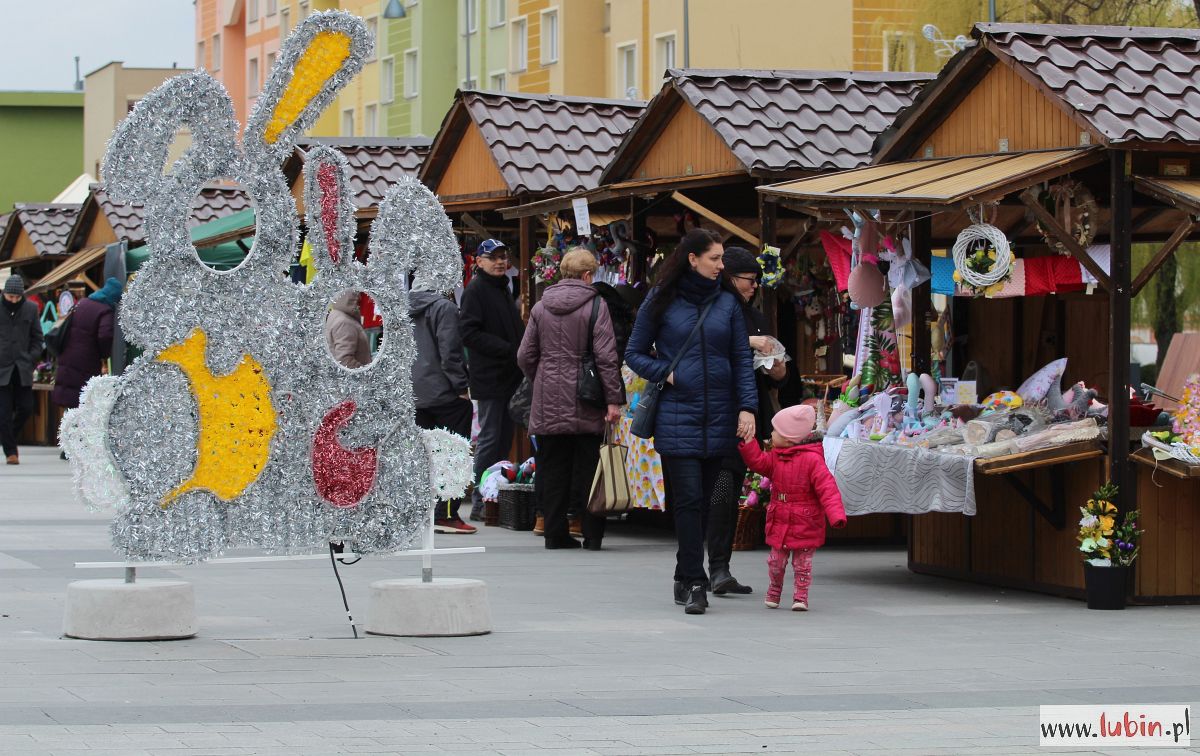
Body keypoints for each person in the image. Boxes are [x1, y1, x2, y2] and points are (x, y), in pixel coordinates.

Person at [625, 228, 758, 615]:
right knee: (688, 502)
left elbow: (740, 361)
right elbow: (634, 352)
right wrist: (666, 372)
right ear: (693, 259)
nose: (721, 265)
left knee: (708, 504)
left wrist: (746, 408)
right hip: (677, 414)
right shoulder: (662, 299)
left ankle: (685, 575)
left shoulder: (728, 304)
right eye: (715, 258)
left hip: (719, 415)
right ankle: (695, 581)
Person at [518, 248, 622, 550]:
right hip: (585, 398)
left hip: (547, 397)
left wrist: (542, 379)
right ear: (588, 275)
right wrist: (613, 399)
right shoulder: (596, 306)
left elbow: (525, 355)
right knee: (590, 467)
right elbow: (606, 357)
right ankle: (592, 535)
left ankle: (554, 533)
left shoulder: (540, 307)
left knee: (551, 468)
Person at [705, 246, 790, 597]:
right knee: (720, 492)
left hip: (747, 416)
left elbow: (778, 378)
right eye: (748, 280)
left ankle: (720, 568)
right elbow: (703, 349)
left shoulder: (755, 317)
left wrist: (780, 369)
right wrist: (746, 341)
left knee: (730, 486)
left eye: (757, 280)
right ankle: (713, 568)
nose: (754, 286)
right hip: (711, 414)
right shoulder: (708, 310)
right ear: (728, 277)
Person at [739, 404, 846, 611]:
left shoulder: (813, 460)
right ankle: (774, 590)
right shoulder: (775, 458)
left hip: (805, 520)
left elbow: (827, 488)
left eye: (775, 431)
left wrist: (836, 515)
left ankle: (801, 596)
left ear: (788, 438)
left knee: (802, 564)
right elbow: (758, 462)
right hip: (781, 520)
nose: (770, 434)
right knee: (775, 563)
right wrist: (749, 443)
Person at [460, 239, 524, 522]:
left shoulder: (503, 288)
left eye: (503, 256)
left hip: (510, 376)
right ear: (480, 261)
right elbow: (469, 333)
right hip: (490, 377)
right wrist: (508, 349)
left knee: (503, 440)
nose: (500, 262)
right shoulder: (476, 291)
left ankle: (494, 497)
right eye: (493, 257)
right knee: (489, 439)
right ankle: (479, 500)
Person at [410, 281, 475, 535]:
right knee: (453, 451)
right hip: (443, 391)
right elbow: (450, 352)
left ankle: (420, 511)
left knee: (421, 455)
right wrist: (461, 387)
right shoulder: (444, 308)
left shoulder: (403, 307)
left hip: (414, 391)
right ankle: (446, 513)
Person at [52, 276, 122, 412]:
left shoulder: (83, 303)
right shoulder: (105, 310)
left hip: (68, 358)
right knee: (82, 403)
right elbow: (105, 335)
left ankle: (66, 432)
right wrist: (104, 355)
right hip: (86, 363)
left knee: (70, 404)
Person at [0, 275, 43, 465]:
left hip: (22, 367)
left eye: (17, 298)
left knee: (26, 408)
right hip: (1, 368)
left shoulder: (31, 309)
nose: (13, 301)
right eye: (10, 297)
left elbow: (37, 338)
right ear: (4, 294)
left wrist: (32, 357)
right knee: (3, 411)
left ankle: (7, 436)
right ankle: (11, 451)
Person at [325, 291, 372, 369]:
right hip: (354, 379)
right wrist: (365, 372)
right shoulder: (345, 322)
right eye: (356, 292)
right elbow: (344, 360)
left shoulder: (335, 313)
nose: (360, 297)